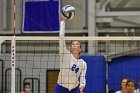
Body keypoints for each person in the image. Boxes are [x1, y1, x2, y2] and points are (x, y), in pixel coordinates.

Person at [54, 17, 87, 93]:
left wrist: (82, 85)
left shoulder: (83, 63)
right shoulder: (65, 54)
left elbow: (82, 77)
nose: (75, 45)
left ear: (80, 49)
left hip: (74, 89)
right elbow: (61, 39)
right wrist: (63, 22)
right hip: (61, 88)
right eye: (73, 44)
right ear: (70, 48)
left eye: (77, 44)